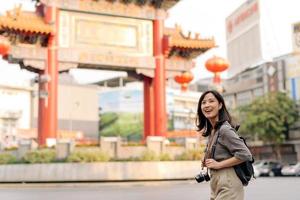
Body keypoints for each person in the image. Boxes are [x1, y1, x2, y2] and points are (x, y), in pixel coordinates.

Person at [196, 90, 252, 200]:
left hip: (228, 182)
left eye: (211, 101)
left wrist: (218, 164)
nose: (207, 105)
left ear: (220, 105)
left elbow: (245, 154)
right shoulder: (213, 131)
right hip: (216, 182)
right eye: (203, 102)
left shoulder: (224, 129)